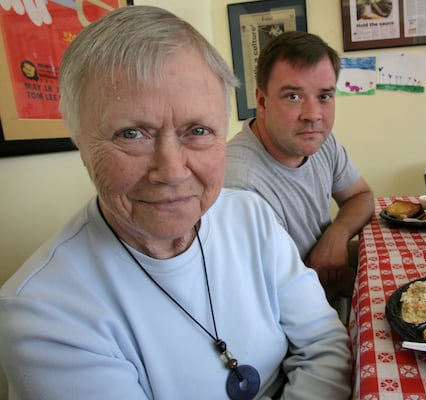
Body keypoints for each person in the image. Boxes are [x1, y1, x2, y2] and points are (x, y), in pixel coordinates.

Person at [0, 6, 351, 400]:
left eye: (197, 130)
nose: (171, 170)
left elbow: (326, 345)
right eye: (131, 133)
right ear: (81, 142)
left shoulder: (249, 216)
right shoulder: (44, 315)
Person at [224, 31, 374, 306]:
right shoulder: (239, 183)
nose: (313, 114)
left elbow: (361, 196)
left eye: (325, 96)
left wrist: (336, 235)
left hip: (326, 301)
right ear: (261, 100)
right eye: (293, 96)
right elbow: (272, 298)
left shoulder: (319, 141)